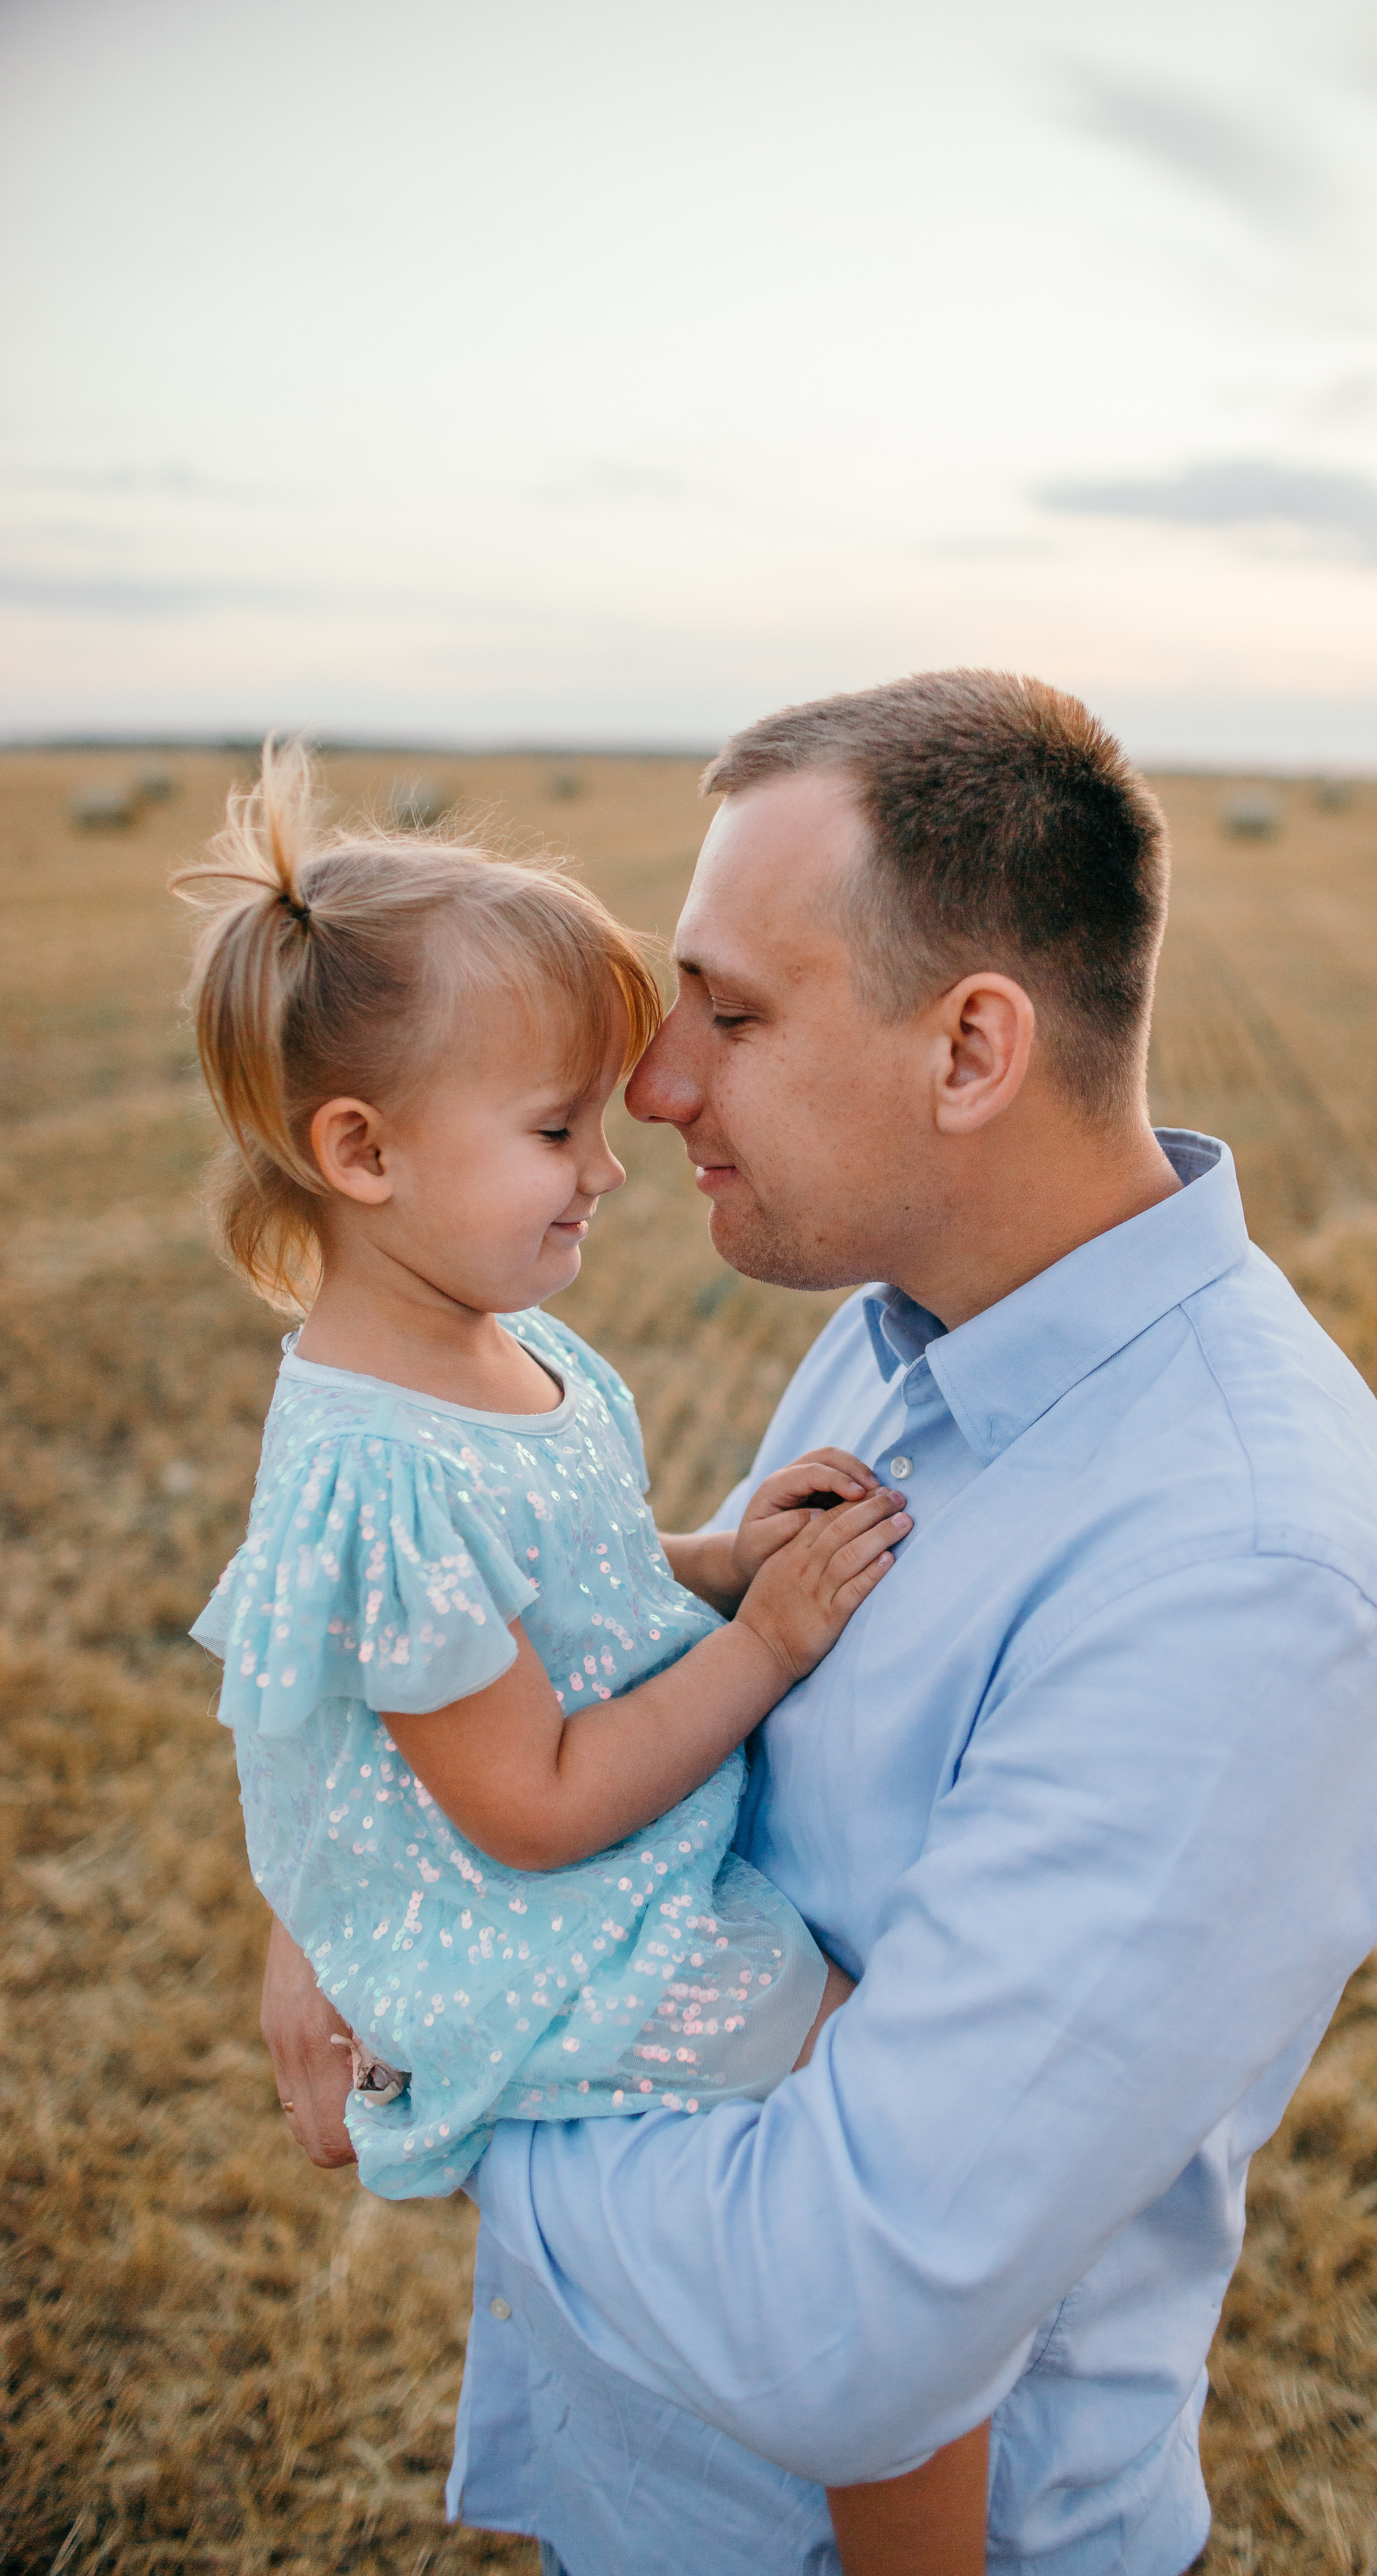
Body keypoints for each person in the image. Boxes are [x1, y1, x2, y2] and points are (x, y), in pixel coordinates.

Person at [264, 672, 1377, 2576]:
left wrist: (445, 2024)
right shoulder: (898, 1330)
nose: (656, 1088)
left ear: (972, 1049)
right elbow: (578, 1673)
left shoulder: (1242, 1585)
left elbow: (847, 2317)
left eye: (729, 1013)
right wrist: (357, 1873)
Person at [178, 741, 992, 2572]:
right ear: (359, 1154)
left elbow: (582, 1596)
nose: (609, 1171)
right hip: (536, 1936)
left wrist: (714, 1563)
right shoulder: (383, 1461)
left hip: (590, 1853)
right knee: (891, 2108)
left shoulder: (498, 1344)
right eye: (557, 1132)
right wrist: (772, 1644)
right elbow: (534, 1804)